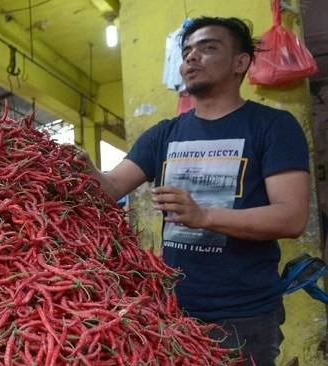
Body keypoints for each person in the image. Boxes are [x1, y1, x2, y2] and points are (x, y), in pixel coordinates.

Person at [78, 17, 310, 365]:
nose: (191, 58)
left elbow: (291, 217)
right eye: (186, 51)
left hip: (243, 315)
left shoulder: (273, 127)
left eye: (208, 47)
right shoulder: (164, 134)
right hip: (172, 309)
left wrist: (203, 216)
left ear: (240, 63)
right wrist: (83, 168)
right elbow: (111, 187)